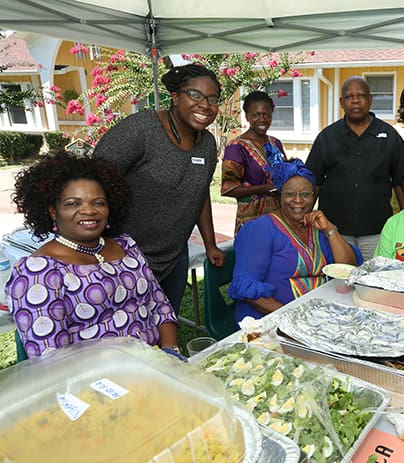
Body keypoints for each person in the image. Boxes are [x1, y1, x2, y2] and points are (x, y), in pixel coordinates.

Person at [5, 153, 181, 359]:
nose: (88, 210)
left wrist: (171, 353)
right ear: (53, 211)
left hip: (156, 363)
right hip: (96, 383)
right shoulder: (38, 273)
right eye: (72, 203)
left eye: (98, 202)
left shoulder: (126, 246)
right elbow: (51, 359)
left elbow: (159, 305)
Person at [93, 64, 226, 314]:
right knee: (130, 330)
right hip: (125, 256)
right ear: (175, 97)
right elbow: (92, 184)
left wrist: (210, 244)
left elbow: (200, 192)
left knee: (166, 322)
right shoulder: (141, 130)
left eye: (212, 99)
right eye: (195, 95)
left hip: (174, 255)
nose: (205, 105)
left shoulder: (207, 143)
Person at [228, 159, 362, 322]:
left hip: (319, 317)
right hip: (272, 320)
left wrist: (330, 230)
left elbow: (348, 269)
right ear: (279, 196)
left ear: (314, 196)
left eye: (305, 194)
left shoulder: (316, 228)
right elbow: (246, 289)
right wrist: (294, 317)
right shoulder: (260, 230)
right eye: (290, 194)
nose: (298, 200)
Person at [306, 76, 404, 260]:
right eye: (349, 96)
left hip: (377, 231)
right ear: (341, 102)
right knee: (337, 283)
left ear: (370, 99)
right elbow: (311, 183)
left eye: (361, 95)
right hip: (334, 231)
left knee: (372, 284)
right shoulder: (327, 137)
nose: (355, 101)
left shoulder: (388, 135)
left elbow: (402, 183)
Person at [221, 90, 287, 232]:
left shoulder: (276, 143)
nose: (262, 119)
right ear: (247, 117)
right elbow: (228, 189)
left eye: (266, 115)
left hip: (280, 219)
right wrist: (264, 188)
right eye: (256, 115)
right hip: (252, 221)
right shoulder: (236, 147)